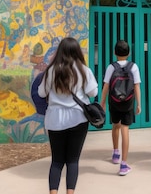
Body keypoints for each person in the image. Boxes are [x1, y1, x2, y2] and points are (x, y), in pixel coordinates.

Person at [38, 37, 98, 194]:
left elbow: (41, 92)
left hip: (54, 119)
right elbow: (93, 92)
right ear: (77, 51)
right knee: (72, 160)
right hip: (78, 118)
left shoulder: (51, 70)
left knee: (57, 161)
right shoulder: (84, 70)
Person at [100, 40, 141, 176]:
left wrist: (103, 102)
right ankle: (124, 164)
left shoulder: (111, 67)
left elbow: (106, 85)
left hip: (114, 101)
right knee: (125, 128)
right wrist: (139, 104)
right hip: (128, 102)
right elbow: (136, 86)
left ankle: (115, 153)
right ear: (129, 53)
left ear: (114, 53)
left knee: (115, 125)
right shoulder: (133, 67)